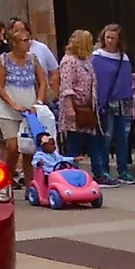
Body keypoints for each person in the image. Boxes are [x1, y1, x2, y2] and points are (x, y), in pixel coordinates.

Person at [0, 17, 45, 167]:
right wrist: (12, 104)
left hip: (29, 110)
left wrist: (38, 103)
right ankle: (8, 174)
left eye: (29, 40)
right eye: (25, 41)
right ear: (15, 43)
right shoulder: (3, 60)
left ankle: (29, 186)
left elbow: (43, 82)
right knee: (12, 147)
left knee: (28, 149)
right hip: (8, 111)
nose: (28, 43)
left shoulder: (33, 59)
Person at [93, 23, 135, 185]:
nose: (110, 41)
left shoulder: (123, 57)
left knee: (123, 137)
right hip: (106, 102)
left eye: (113, 38)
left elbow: (127, 80)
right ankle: (104, 170)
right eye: (107, 37)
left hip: (124, 102)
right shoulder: (97, 56)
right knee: (106, 137)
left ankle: (123, 170)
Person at [56, 30, 100, 169]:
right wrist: (69, 108)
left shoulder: (85, 61)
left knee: (92, 142)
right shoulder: (69, 61)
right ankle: (70, 171)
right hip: (75, 109)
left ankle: (98, 173)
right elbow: (66, 86)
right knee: (74, 143)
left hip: (87, 109)